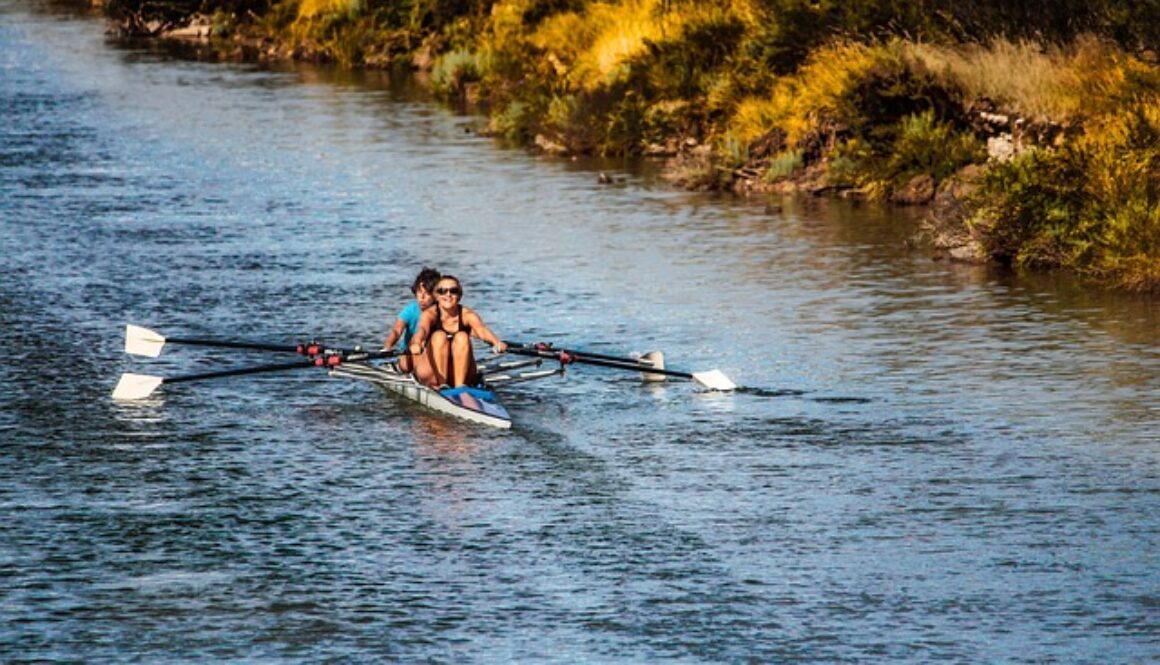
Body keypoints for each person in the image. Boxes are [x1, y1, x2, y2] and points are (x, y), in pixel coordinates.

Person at [409, 275, 507, 388]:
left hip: (460, 374)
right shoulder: (430, 315)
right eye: (442, 291)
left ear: (459, 296)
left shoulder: (467, 315)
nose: (448, 295)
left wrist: (496, 342)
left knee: (462, 336)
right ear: (436, 296)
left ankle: (460, 388)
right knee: (439, 336)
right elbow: (422, 330)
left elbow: (481, 330)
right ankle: (442, 385)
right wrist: (417, 343)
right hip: (432, 374)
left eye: (453, 291)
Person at [384, 267, 441, 385]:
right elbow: (397, 330)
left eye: (427, 293)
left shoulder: (442, 311)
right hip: (408, 355)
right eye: (419, 292)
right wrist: (388, 346)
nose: (421, 298)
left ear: (435, 296)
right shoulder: (411, 310)